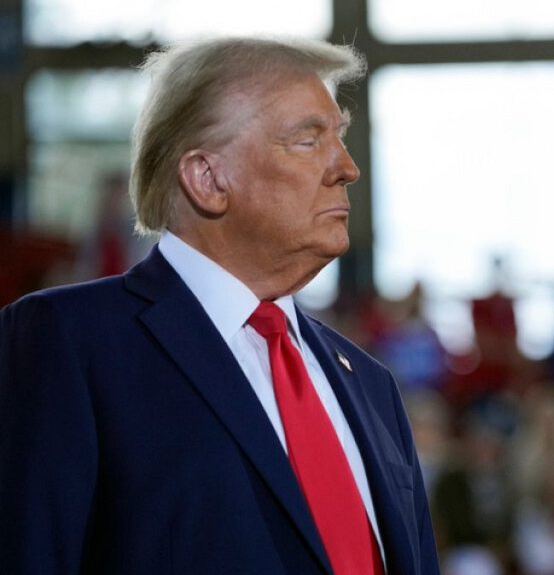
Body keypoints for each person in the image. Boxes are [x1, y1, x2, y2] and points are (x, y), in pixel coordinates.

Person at [0, 36, 440, 574]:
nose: (347, 167)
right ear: (207, 179)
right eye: (308, 140)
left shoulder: (371, 385)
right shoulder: (69, 342)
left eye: (340, 137)